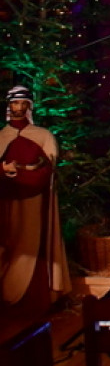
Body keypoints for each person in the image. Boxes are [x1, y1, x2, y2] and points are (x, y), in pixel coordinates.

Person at [0, 86, 70, 309]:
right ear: (8, 106)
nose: (18, 108)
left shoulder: (42, 136)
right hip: (5, 201)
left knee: (30, 243)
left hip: (34, 201)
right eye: (14, 103)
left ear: (29, 107)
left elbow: (47, 169)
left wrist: (23, 172)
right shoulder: (1, 137)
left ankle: (34, 296)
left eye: (23, 104)